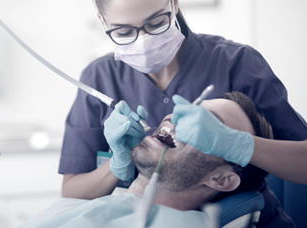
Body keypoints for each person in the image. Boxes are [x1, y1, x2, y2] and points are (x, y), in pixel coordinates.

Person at [59, 0, 307, 227]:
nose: (144, 39)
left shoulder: (236, 62)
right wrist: (116, 165)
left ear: (174, 4)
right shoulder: (99, 78)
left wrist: (239, 145)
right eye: (124, 32)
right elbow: (72, 192)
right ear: (103, 23)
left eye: (156, 22)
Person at [23, 92, 270, 228]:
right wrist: (118, 163)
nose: (177, 117)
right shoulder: (83, 205)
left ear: (221, 179)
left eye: (207, 124)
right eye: (190, 109)